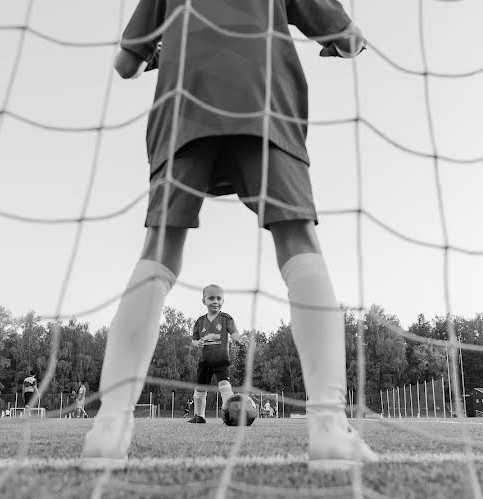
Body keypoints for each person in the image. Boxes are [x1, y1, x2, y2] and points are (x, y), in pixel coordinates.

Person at [81, 0, 375, 469]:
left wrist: (162, 51)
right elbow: (350, 39)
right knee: (298, 241)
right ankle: (328, 427)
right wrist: (340, 47)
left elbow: (124, 65)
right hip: (265, 103)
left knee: (160, 251)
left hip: (182, 111)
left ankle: (110, 426)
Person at [187, 284, 248, 424]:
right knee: (200, 390)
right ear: (204, 301)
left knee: (225, 387)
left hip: (221, 360)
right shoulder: (199, 321)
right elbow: (194, 341)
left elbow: (234, 334)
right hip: (205, 361)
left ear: (223, 301)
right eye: (211, 298)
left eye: (219, 298)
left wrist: (240, 339)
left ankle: (233, 415)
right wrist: (198, 343)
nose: (215, 301)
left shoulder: (226, 318)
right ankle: (199, 416)